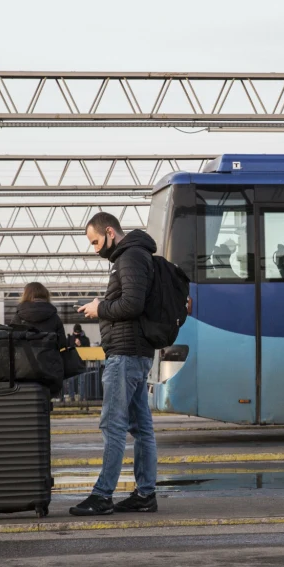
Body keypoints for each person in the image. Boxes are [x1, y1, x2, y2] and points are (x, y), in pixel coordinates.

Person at [70, 212, 159, 516]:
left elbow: (132, 304)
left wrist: (100, 307)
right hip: (134, 352)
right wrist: (102, 307)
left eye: (95, 241)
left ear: (110, 232)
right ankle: (145, 494)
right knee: (140, 426)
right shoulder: (134, 255)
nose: (95, 248)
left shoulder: (130, 257)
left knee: (114, 425)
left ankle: (102, 495)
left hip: (125, 354)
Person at [10, 282, 69, 351]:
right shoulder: (54, 317)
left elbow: (12, 341)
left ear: (26, 295)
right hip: (50, 359)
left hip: (24, 360)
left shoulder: (18, 316)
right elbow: (62, 343)